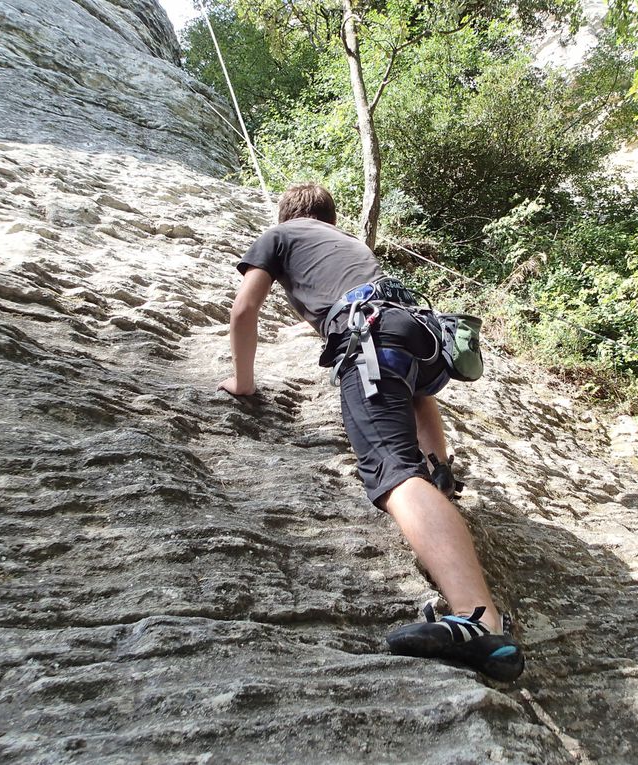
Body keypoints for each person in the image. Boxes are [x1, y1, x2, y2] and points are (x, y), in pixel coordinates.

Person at [218, 183, 523, 682]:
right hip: (418, 334)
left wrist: (244, 383)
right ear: (329, 216)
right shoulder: (352, 246)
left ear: (287, 213)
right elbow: (416, 390)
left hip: (371, 336)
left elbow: (243, 309)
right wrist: (438, 463)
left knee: (394, 474)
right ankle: (439, 474)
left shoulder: (280, 233)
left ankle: (479, 621)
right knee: (412, 419)